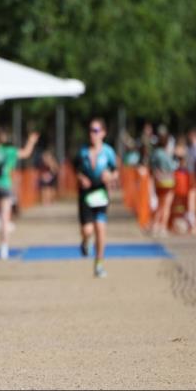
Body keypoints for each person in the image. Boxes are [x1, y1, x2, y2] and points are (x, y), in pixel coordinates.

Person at [0, 126, 39, 260]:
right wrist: (31, 141)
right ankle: (4, 249)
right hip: (5, 185)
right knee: (4, 218)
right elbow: (25, 153)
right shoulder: (9, 151)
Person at [75, 117, 118, 278]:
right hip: (85, 194)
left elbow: (116, 171)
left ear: (103, 133)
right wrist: (81, 178)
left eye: (96, 130)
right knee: (87, 230)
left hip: (100, 192)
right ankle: (86, 242)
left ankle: (99, 264)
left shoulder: (108, 152)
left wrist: (111, 176)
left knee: (100, 228)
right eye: (90, 130)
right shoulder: (82, 152)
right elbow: (76, 169)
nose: (92, 134)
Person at [150, 127, 178, 237]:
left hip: (158, 181)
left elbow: (152, 166)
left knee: (159, 204)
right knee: (166, 205)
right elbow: (172, 167)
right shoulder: (166, 154)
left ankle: (155, 225)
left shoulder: (155, 153)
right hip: (168, 181)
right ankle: (162, 227)